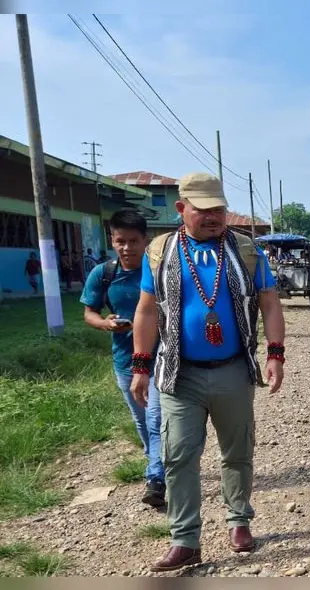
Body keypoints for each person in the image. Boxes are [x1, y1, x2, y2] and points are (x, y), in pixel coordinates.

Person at [130, 172, 287, 572]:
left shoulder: (247, 250)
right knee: (179, 455)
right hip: (179, 374)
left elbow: (270, 303)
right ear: (182, 208)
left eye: (219, 209)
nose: (214, 217)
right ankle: (185, 540)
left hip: (233, 370)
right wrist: (141, 365)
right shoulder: (159, 251)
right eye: (204, 210)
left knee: (237, 452)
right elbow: (147, 310)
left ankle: (239, 521)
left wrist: (275, 353)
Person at [80, 209, 165, 507]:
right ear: (112, 241)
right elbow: (88, 312)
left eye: (133, 241)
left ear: (146, 241)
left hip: (161, 359)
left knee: (156, 419)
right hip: (124, 360)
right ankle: (156, 461)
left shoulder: (157, 272)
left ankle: (156, 478)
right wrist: (105, 323)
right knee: (141, 421)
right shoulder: (104, 273)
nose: (127, 247)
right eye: (120, 241)